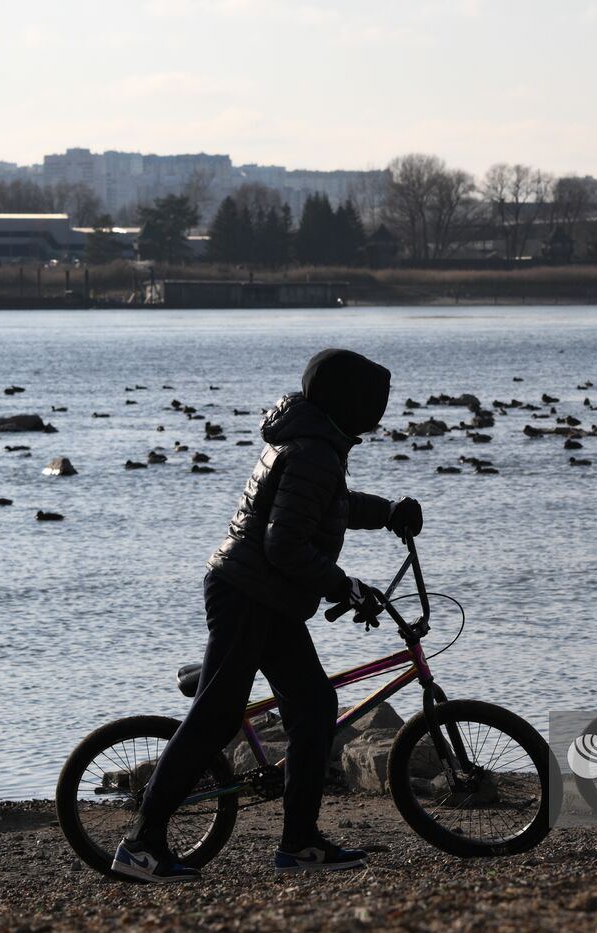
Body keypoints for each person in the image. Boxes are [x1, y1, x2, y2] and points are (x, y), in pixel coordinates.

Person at [113, 348, 423, 882]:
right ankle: (141, 845)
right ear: (348, 403)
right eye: (374, 403)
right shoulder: (313, 451)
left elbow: (331, 505)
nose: (378, 415)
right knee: (216, 717)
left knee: (313, 706)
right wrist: (344, 586)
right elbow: (284, 545)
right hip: (249, 593)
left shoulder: (315, 442)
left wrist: (389, 512)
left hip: (268, 597)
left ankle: (299, 843)